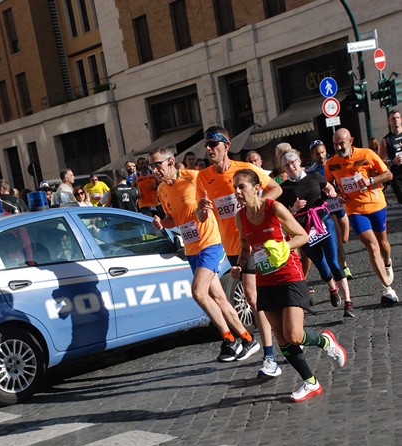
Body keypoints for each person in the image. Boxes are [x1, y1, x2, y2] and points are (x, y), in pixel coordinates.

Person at [231, 168, 347, 402]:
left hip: (289, 274)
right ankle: (310, 382)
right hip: (265, 279)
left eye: (240, 186)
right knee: (282, 339)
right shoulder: (240, 216)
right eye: (234, 187)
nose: (236, 192)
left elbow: (302, 235)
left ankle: (325, 341)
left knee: (294, 335)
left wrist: (284, 247)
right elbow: (245, 246)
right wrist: (239, 266)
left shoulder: (274, 208)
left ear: (256, 188)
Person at [149, 146, 257, 363]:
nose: (154, 170)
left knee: (198, 292)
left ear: (171, 162)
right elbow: (173, 218)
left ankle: (229, 339)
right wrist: (163, 223)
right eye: (152, 166)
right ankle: (246, 339)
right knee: (217, 296)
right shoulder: (161, 189)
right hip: (191, 248)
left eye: (157, 165)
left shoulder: (194, 178)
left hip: (211, 243)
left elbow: (217, 195)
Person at [196, 126, 283, 377]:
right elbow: (203, 216)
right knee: (260, 298)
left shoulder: (243, 171)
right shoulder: (204, 177)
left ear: (227, 145)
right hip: (232, 248)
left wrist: (259, 212)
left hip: (255, 242)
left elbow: (274, 188)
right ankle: (282, 339)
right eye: (207, 145)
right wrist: (202, 210)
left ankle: (269, 355)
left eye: (214, 144)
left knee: (254, 299)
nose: (209, 149)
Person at [325, 128, 397, 305]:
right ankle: (387, 288)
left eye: (341, 143)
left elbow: (388, 174)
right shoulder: (331, 164)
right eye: (335, 144)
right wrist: (336, 194)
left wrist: (370, 181)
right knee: (371, 246)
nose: (338, 147)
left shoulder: (367, 154)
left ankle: (387, 263)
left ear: (351, 141)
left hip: (376, 204)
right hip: (354, 209)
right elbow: (328, 184)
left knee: (383, 245)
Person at [280, 150, 355, 317]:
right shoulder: (284, 189)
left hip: (323, 221)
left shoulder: (313, 175)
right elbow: (282, 214)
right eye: (287, 165)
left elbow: (328, 187)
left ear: (299, 161)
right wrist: (294, 209)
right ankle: (332, 288)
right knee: (322, 266)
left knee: (334, 263)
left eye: (293, 162)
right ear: (283, 168)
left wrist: (332, 192)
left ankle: (348, 302)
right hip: (304, 230)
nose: (291, 167)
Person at [308, 139, 352, 280]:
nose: (320, 156)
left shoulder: (334, 163)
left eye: (322, 152)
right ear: (312, 155)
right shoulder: (312, 171)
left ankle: (338, 262)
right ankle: (343, 267)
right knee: (338, 238)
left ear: (326, 151)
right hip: (327, 207)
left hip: (339, 203)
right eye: (316, 154)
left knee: (345, 238)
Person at [379, 109, 402, 205]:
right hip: (397, 176)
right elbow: (380, 161)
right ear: (389, 121)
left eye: (397, 117)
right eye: (393, 118)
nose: (396, 120)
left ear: (401, 119)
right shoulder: (386, 140)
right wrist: (392, 161)